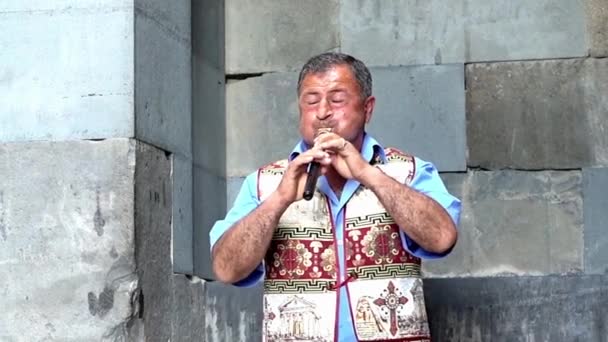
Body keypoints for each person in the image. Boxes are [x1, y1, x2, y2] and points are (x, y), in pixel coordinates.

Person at [210, 52, 460, 342]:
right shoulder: (265, 183)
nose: (323, 112)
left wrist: (369, 175)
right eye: (311, 100)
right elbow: (226, 269)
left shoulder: (408, 171)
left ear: (367, 109)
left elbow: (443, 238)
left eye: (337, 99)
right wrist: (279, 200)